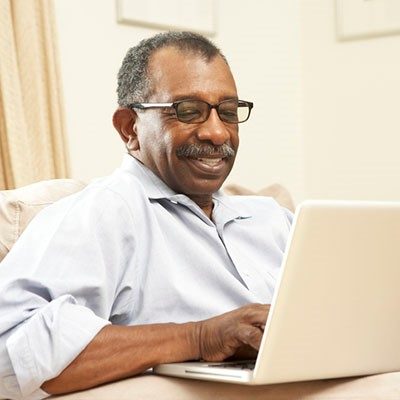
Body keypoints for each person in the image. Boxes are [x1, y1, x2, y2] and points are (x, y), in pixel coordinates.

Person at [0, 31, 293, 400]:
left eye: (229, 112)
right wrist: (199, 337)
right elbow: (10, 349)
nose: (218, 132)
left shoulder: (272, 218)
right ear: (130, 128)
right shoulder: (104, 211)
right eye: (189, 111)